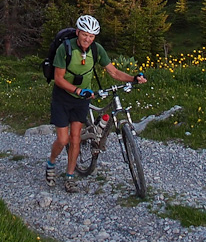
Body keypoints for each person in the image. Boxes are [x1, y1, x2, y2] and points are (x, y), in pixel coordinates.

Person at [45, 14, 147, 192]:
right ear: (78, 32)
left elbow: (113, 72)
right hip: (63, 97)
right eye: (85, 34)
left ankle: (70, 177)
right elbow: (58, 79)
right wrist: (77, 90)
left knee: (76, 138)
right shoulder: (65, 48)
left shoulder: (96, 49)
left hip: (82, 99)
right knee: (63, 139)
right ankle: (51, 163)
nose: (87, 39)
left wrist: (133, 78)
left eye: (91, 36)